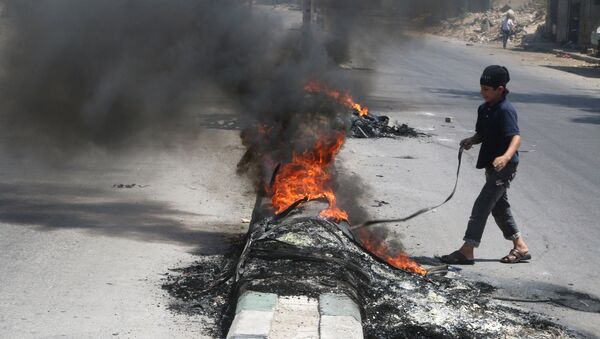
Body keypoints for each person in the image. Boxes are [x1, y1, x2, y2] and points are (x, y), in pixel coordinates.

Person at [440, 65, 530, 265]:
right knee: (499, 208)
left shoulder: (506, 110)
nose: (482, 93)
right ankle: (521, 246)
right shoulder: (484, 108)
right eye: (481, 88)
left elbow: (515, 138)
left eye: (487, 90)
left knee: (481, 205)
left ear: (500, 89)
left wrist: (505, 157)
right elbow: (483, 133)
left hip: (504, 168)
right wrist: (472, 140)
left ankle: (467, 250)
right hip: (492, 166)